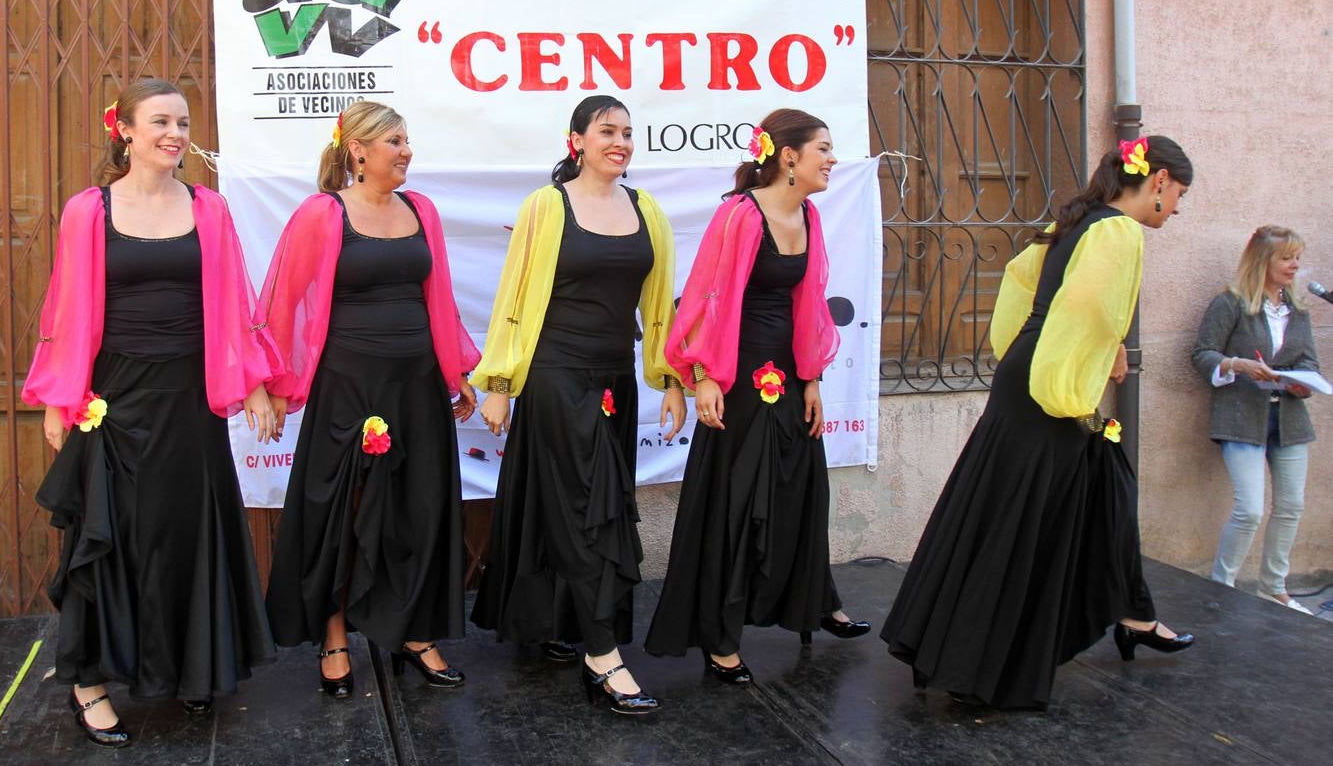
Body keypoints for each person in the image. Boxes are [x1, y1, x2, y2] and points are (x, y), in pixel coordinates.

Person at [880, 135, 1197, 710]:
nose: (1175, 208)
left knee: (1062, 499)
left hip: (1031, 370)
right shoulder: (1119, 231)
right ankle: (986, 661)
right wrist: (1076, 389)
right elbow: (1089, 310)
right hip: (1051, 388)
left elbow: (1024, 281)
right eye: (1177, 195)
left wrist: (1091, 353)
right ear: (1158, 181)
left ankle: (1131, 612)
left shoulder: (1078, 221)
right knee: (1019, 520)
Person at [25, 79, 278, 746]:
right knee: (111, 540)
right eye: (160, 121)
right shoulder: (89, 210)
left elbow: (236, 303)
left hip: (190, 402)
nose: (175, 132)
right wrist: (60, 398)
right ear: (126, 132)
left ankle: (191, 668)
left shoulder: (210, 208)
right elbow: (66, 310)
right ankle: (89, 682)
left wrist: (252, 384)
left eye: (183, 121)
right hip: (114, 403)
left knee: (187, 533)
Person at [470, 95, 685, 716]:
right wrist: (500, 384)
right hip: (555, 377)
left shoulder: (647, 209)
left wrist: (669, 378)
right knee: (583, 510)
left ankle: (556, 623)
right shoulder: (547, 206)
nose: (619, 141)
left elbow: (660, 303)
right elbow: (513, 296)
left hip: (617, 378)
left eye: (627, 131)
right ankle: (603, 655)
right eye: (606, 131)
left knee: (592, 506)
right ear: (577, 141)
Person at [259, 101, 481, 697]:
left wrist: (455, 373)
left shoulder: (422, 210)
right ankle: (334, 635)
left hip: (416, 388)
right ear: (357, 150)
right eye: (394, 141)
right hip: (348, 390)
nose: (406, 150)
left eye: (407, 140)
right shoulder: (322, 214)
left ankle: (413, 633)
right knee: (341, 513)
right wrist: (276, 388)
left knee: (419, 508)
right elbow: (281, 301)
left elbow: (440, 299)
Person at [644, 108, 869, 684]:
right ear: (788, 156)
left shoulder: (812, 216)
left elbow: (811, 304)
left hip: (791, 376)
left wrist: (813, 379)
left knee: (799, 491)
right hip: (738, 374)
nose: (832, 158)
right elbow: (704, 300)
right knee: (737, 505)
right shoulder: (739, 215)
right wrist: (704, 378)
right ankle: (720, 639)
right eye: (824, 147)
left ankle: (813, 600)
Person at [1191, 226, 1319, 614]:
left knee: (1291, 505)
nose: (1295, 265)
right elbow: (1202, 354)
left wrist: (1300, 382)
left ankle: (1274, 588)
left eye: (1297, 257)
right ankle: (1222, 586)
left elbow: (1308, 361)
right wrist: (1235, 364)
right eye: (1286, 258)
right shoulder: (1230, 303)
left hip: (1290, 418)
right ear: (1262, 261)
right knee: (1250, 509)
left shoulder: (1297, 309)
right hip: (1242, 416)